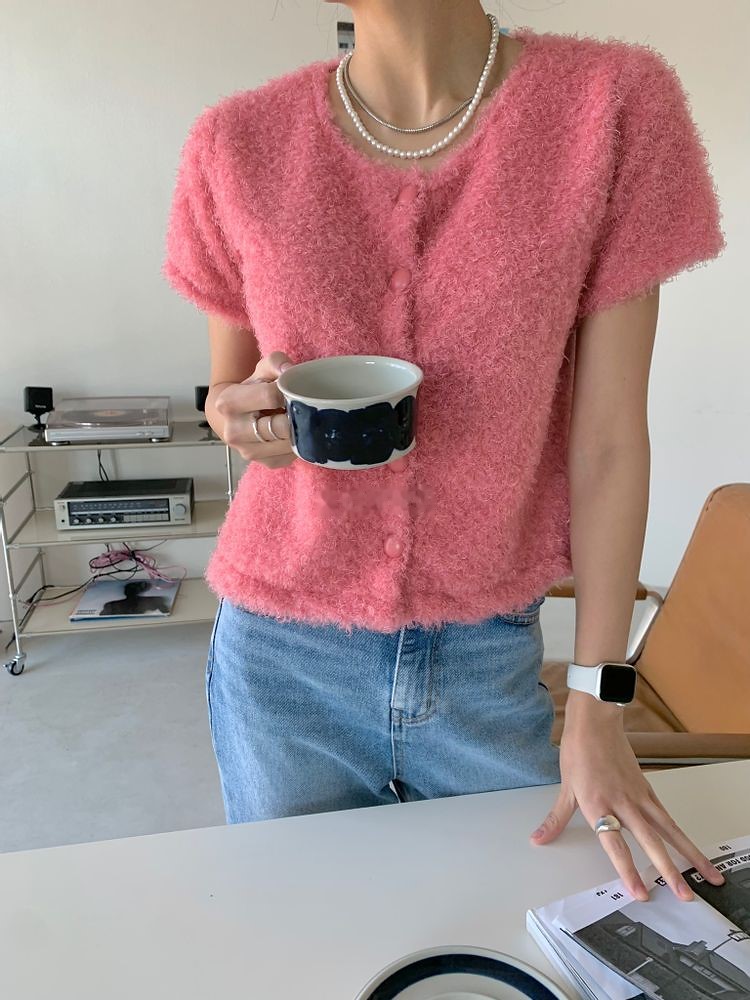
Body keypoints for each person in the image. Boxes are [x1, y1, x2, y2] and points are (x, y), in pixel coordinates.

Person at [162, 1, 728, 904]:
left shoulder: (610, 106)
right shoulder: (235, 143)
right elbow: (228, 391)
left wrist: (599, 704)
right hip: (280, 657)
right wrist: (239, 417)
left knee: (519, 928)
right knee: (306, 932)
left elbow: (610, 442)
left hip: (486, 659)